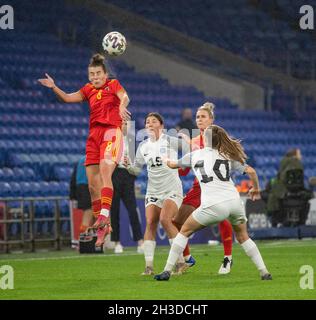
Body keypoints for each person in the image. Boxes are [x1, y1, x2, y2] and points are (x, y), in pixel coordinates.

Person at [154, 125, 272, 281]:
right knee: (243, 237)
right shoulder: (227, 155)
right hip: (234, 202)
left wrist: (164, 159)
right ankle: (264, 272)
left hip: (213, 205)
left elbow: (172, 164)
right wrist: (256, 189)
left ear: (205, 139)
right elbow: (251, 171)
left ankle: (166, 271)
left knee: (184, 231)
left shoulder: (195, 155)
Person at [38, 53, 130, 247]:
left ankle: (104, 216)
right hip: (93, 136)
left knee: (106, 170)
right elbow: (68, 98)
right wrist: (54, 87)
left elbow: (125, 97)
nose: (95, 77)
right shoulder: (88, 89)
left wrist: (121, 106)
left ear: (105, 74)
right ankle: (103, 227)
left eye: (98, 73)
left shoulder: (113, 85)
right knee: (92, 186)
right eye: (91, 74)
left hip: (111, 132)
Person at [125, 112, 188, 275]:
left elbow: (189, 150)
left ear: (161, 125)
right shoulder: (143, 146)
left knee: (165, 220)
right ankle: (149, 267)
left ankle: (181, 262)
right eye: (147, 122)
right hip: (153, 190)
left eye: (153, 121)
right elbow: (136, 170)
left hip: (172, 189)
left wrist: (181, 163)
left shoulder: (170, 141)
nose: (150, 124)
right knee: (151, 222)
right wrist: (128, 165)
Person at [175, 102, 234, 274]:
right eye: (197, 117)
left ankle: (228, 259)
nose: (199, 120)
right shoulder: (193, 141)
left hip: (216, 185)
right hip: (198, 186)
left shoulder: (219, 139)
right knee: (176, 221)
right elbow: (185, 170)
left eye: (203, 117)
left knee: (223, 218)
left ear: (211, 120)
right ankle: (187, 259)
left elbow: (229, 161)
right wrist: (169, 170)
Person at [110, 120, 144, 254]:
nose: (125, 126)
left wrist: (133, 178)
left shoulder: (132, 143)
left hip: (128, 176)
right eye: (123, 123)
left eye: (127, 124)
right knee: (114, 210)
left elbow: (137, 164)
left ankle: (140, 241)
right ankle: (117, 242)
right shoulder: (112, 139)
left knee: (132, 209)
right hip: (114, 175)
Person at [69, 156, 94, 234]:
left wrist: (72, 195)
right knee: (88, 211)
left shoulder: (81, 160)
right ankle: (84, 238)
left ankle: (91, 238)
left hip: (79, 188)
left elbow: (73, 178)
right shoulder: (94, 159)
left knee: (92, 213)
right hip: (87, 187)